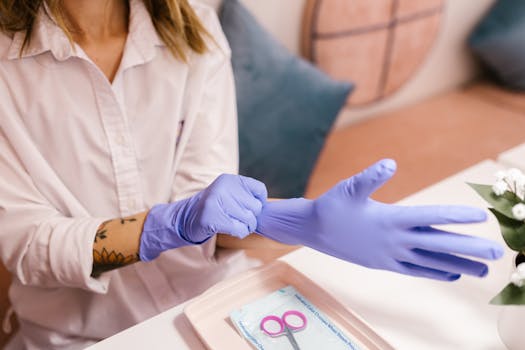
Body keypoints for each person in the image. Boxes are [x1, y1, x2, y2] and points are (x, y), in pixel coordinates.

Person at [0, 0, 503, 349]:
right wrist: (166, 224)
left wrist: (294, 223)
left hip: (222, 303)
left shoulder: (194, 31)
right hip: (85, 335)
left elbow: (209, 207)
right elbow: (28, 246)